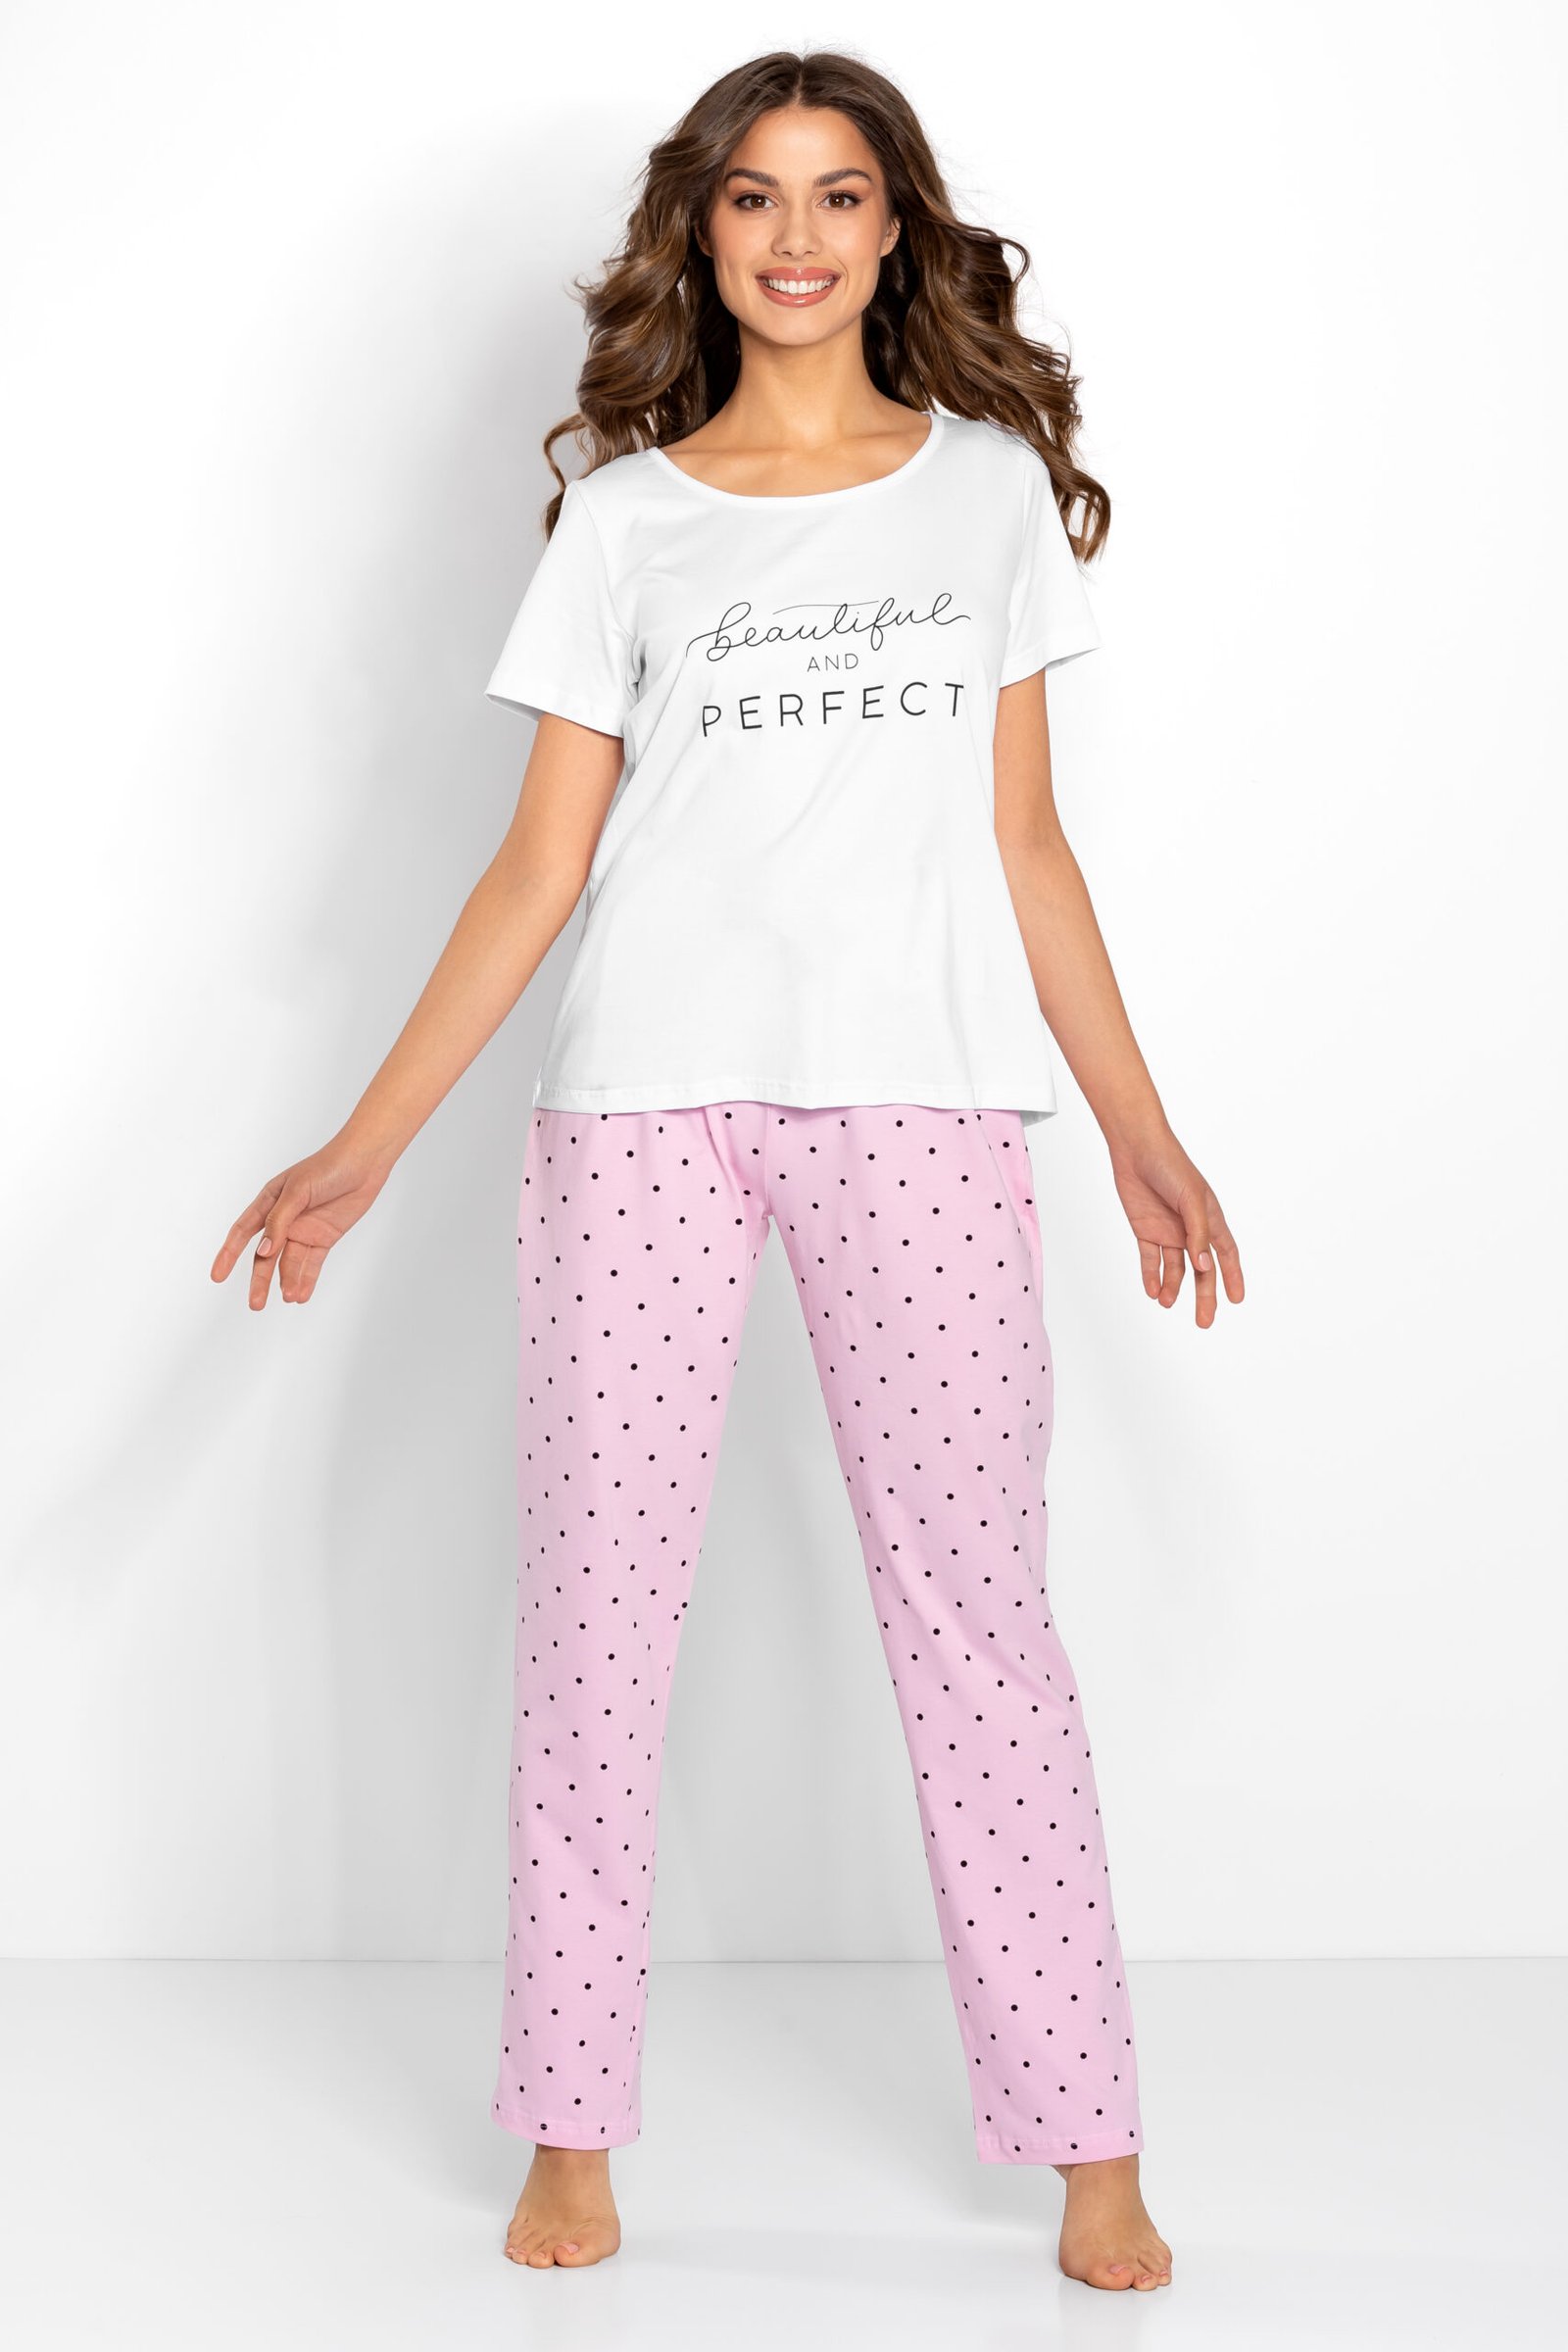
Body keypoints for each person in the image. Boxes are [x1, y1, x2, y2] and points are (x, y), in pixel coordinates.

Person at [211, 46, 1243, 2296]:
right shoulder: (625, 522)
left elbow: (1026, 848)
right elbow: (534, 873)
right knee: (595, 1624)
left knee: (979, 1630)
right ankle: (570, 2126)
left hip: (920, 1109)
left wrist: (1140, 1131)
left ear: (895, 230)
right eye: (754, 195)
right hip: (641, 1117)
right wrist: (361, 1148)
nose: (795, 235)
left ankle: (1086, 2143)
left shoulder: (981, 498)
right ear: (701, 230)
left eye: (838, 194)